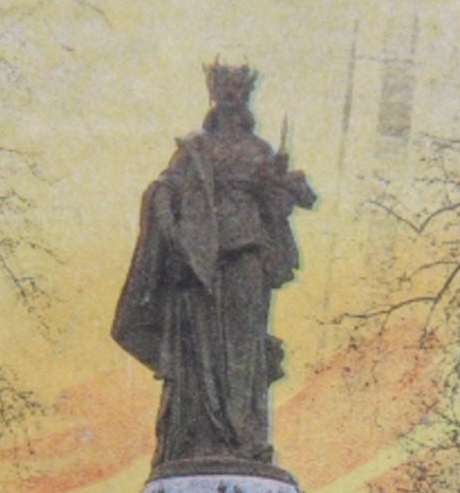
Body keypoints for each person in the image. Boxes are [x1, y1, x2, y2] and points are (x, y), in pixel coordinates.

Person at [112, 62, 316, 466]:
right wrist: (164, 205)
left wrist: (282, 184)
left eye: (238, 90)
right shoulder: (194, 148)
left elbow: (295, 198)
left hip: (246, 254)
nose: (231, 97)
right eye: (224, 90)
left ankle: (243, 437)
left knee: (243, 347)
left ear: (245, 97)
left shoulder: (260, 151)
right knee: (197, 346)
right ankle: (199, 437)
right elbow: (166, 187)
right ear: (214, 95)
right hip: (198, 259)